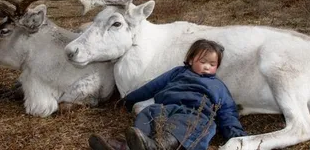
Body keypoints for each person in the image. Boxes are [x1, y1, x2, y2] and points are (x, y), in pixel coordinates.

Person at [89, 39, 246, 150]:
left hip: (195, 113)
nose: (207, 67)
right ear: (191, 60)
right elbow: (152, 86)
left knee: (188, 124)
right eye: (203, 62)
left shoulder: (218, 85)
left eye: (212, 64)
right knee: (147, 113)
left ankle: (159, 146)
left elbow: (228, 112)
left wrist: (238, 136)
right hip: (166, 107)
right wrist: (128, 100)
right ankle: (131, 145)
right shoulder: (178, 72)